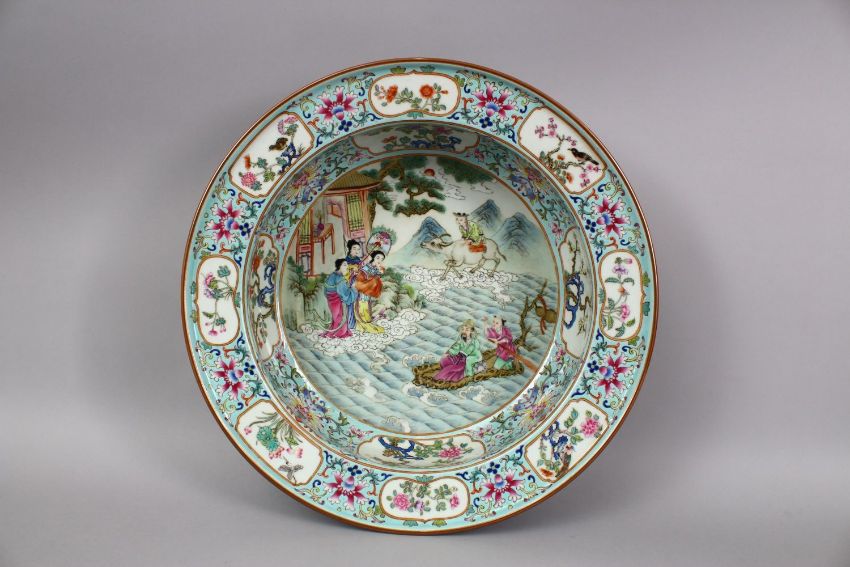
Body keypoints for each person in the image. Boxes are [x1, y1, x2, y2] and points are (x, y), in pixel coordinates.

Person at [320, 258, 357, 339]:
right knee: (339, 316)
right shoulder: (340, 278)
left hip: (331, 299)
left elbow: (326, 289)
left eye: (347, 265)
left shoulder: (332, 275)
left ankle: (334, 332)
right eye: (344, 265)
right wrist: (353, 288)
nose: (347, 267)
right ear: (339, 266)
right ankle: (339, 333)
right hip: (336, 299)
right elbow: (344, 293)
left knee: (336, 317)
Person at [352, 250, 385, 334]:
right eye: (378, 257)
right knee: (363, 306)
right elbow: (361, 280)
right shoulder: (366, 268)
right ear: (373, 257)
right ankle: (363, 324)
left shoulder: (376, 268)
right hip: (363, 290)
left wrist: (379, 273)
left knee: (367, 306)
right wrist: (375, 277)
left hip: (368, 291)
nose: (379, 260)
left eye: (382, 259)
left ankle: (367, 322)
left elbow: (377, 278)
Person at [343, 239, 363, 329]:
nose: (356, 251)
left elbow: (361, 272)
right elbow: (344, 273)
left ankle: (359, 321)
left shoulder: (359, 260)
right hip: (349, 283)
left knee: (359, 302)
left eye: (358, 249)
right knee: (351, 302)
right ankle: (350, 323)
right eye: (354, 248)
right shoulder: (345, 261)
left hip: (358, 282)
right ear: (349, 249)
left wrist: (359, 271)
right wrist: (351, 271)